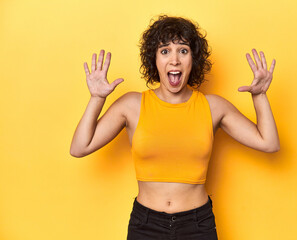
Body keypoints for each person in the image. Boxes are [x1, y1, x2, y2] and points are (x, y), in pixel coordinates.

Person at [70, 15, 279, 240]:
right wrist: (96, 99)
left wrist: (259, 96)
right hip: (146, 226)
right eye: (165, 51)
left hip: (197, 225)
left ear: (193, 59)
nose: (175, 60)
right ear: (155, 59)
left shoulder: (214, 107)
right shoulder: (132, 105)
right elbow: (80, 147)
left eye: (183, 50)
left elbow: (269, 143)